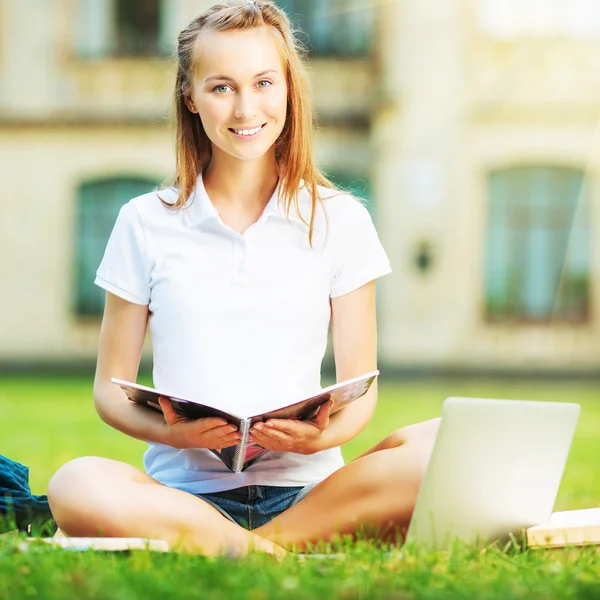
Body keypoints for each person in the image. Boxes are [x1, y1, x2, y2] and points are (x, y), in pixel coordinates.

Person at [47, 0, 440, 556]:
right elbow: (109, 392)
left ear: (288, 89)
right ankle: (273, 554)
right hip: (181, 495)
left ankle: (247, 548)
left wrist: (318, 437)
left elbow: (362, 391)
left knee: (439, 448)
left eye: (262, 83)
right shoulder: (144, 220)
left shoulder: (342, 219)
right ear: (190, 96)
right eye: (222, 87)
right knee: (76, 483)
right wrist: (174, 433)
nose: (246, 107)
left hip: (310, 491)